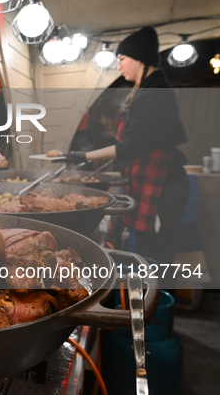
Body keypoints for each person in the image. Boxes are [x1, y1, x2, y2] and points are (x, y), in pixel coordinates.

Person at [58, 27, 190, 266]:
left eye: (122, 59)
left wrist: (82, 155)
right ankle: (154, 299)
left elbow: (132, 147)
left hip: (163, 185)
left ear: (139, 59)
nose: (119, 66)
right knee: (151, 250)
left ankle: (158, 302)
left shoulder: (154, 93)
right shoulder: (149, 89)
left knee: (156, 253)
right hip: (154, 181)